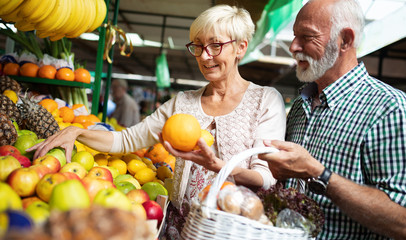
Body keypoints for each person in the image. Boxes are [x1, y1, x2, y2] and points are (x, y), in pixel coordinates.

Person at [29, 4, 286, 239]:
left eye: (215, 45)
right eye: (198, 46)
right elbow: (127, 139)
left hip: (232, 230)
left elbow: (265, 178)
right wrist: (77, 131)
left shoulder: (265, 100)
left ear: (240, 47)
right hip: (179, 228)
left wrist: (219, 166)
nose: (205, 56)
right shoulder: (182, 103)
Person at [259, 0, 406, 239]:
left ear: (345, 40)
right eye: (295, 36)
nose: (293, 46)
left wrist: (318, 173)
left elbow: (401, 222)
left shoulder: (389, 109)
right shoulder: (300, 105)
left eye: (306, 36)